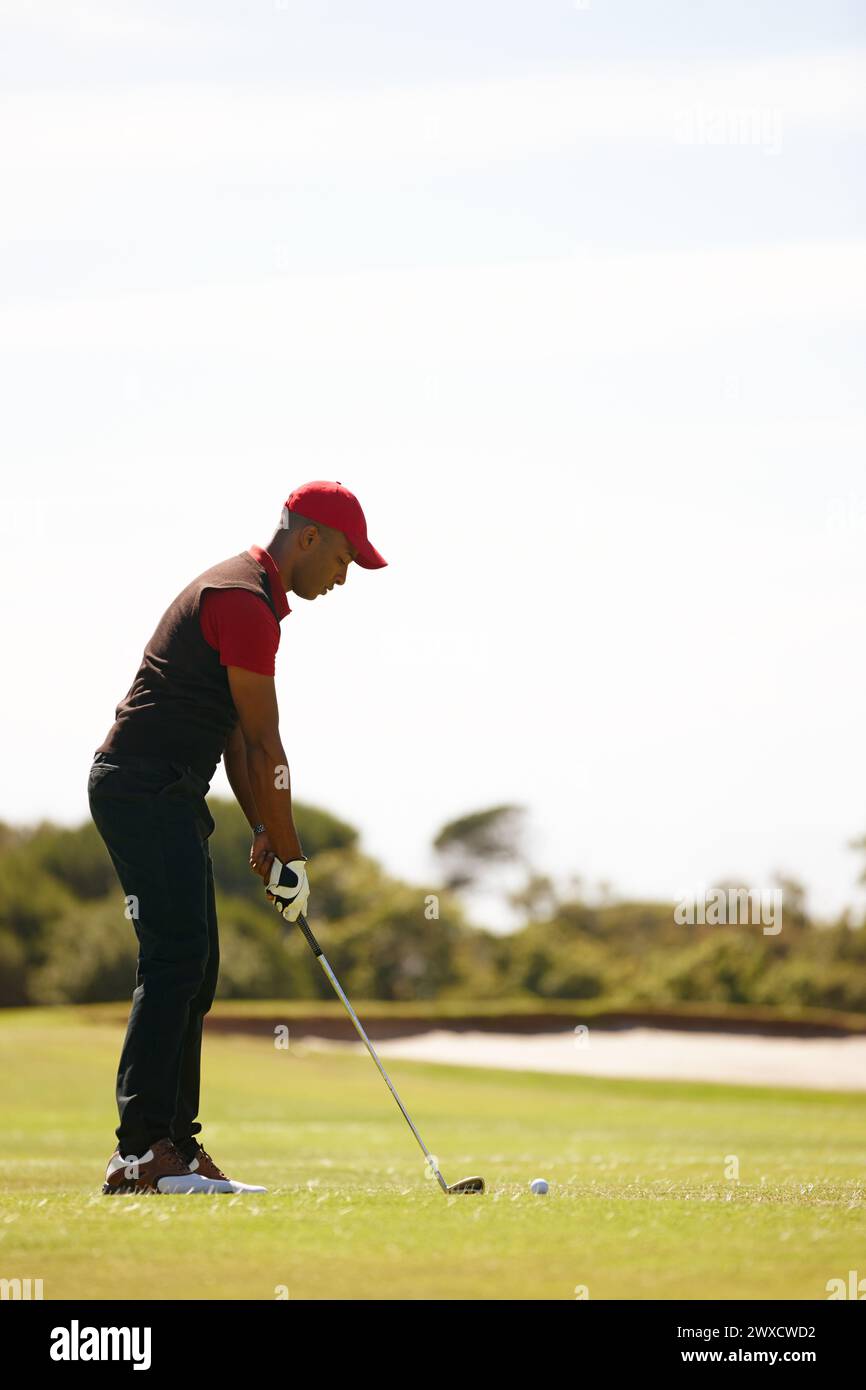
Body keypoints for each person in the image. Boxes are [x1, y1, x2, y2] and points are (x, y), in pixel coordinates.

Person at [88, 481, 387, 1194]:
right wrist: (291, 855)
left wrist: (262, 829)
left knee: (196, 966)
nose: (344, 577)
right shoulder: (243, 600)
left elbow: (232, 741)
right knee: (174, 960)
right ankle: (138, 1155)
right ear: (308, 539)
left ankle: (176, 1153)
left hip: (166, 790)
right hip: (140, 786)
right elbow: (264, 745)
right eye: (345, 558)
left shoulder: (251, 597)